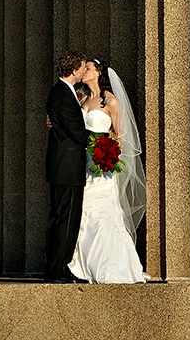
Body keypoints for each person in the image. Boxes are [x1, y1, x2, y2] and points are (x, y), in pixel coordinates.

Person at [68, 59, 146, 283]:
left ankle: (108, 264)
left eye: (88, 68)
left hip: (102, 164)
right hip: (83, 162)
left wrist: (109, 154)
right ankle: (82, 265)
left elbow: (120, 135)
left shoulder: (110, 101)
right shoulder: (82, 99)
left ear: (98, 72)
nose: (84, 72)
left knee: (103, 210)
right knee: (84, 210)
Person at [44, 50, 91, 283]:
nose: (84, 70)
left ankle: (57, 268)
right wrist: (103, 138)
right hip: (67, 165)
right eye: (83, 67)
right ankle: (58, 269)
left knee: (61, 217)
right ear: (74, 70)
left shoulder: (63, 92)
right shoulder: (62, 94)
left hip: (62, 165)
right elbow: (77, 133)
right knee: (67, 218)